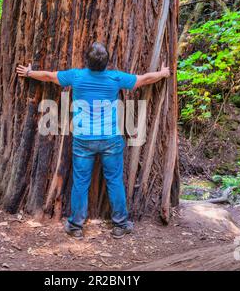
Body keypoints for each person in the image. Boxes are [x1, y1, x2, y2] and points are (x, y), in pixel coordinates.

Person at [16, 42, 171, 239]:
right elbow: (144, 80)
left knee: (81, 182)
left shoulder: (76, 76)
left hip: (83, 140)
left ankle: (75, 226)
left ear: (86, 61)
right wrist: (163, 73)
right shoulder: (115, 78)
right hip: (110, 140)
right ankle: (120, 225)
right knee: (114, 181)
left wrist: (29, 73)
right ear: (107, 63)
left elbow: (48, 76)